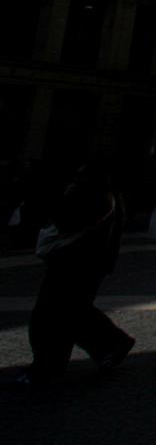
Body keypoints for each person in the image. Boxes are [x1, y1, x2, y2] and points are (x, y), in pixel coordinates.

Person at [25, 165, 132, 386]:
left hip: (77, 261)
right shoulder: (110, 197)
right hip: (89, 262)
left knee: (55, 313)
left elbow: (67, 219)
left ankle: (49, 365)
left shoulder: (94, 197)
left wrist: (55, 200)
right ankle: (112, 344)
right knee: (73, 310)